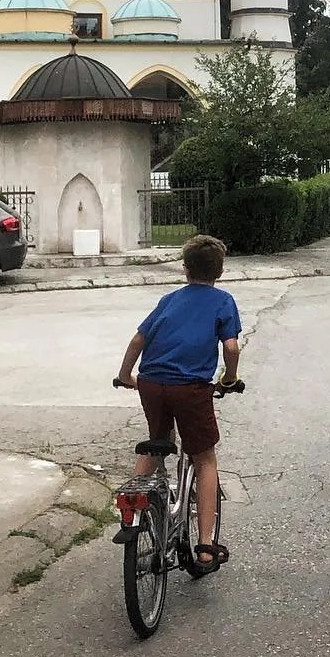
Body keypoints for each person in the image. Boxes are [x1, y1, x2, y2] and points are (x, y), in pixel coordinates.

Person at [114, 232, 241, 570]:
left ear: (185, 269)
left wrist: (126, 375)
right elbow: (230, 347)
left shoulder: (169, 300)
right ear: (220, 271)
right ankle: (204, 546)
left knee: (157, 444)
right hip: (191, 388)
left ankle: (131, 507)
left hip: (152, 382)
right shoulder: (223, 301)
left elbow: (139, 339)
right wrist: (229, 378)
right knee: (204, 459)